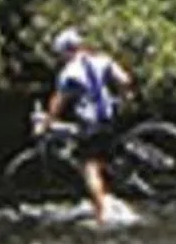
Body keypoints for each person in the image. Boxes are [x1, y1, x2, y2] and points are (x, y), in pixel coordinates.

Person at [41, 25, 136, 224]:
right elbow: (125, 80)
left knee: (89, 167)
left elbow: (58, 101)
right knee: (103, 156)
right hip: (110, 118)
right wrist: (125, 98)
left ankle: (102, 214)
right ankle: (111, 194)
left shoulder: (69, 73)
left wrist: (47, 122)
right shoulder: (103, 60)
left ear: (67, 51)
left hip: (91, 123)